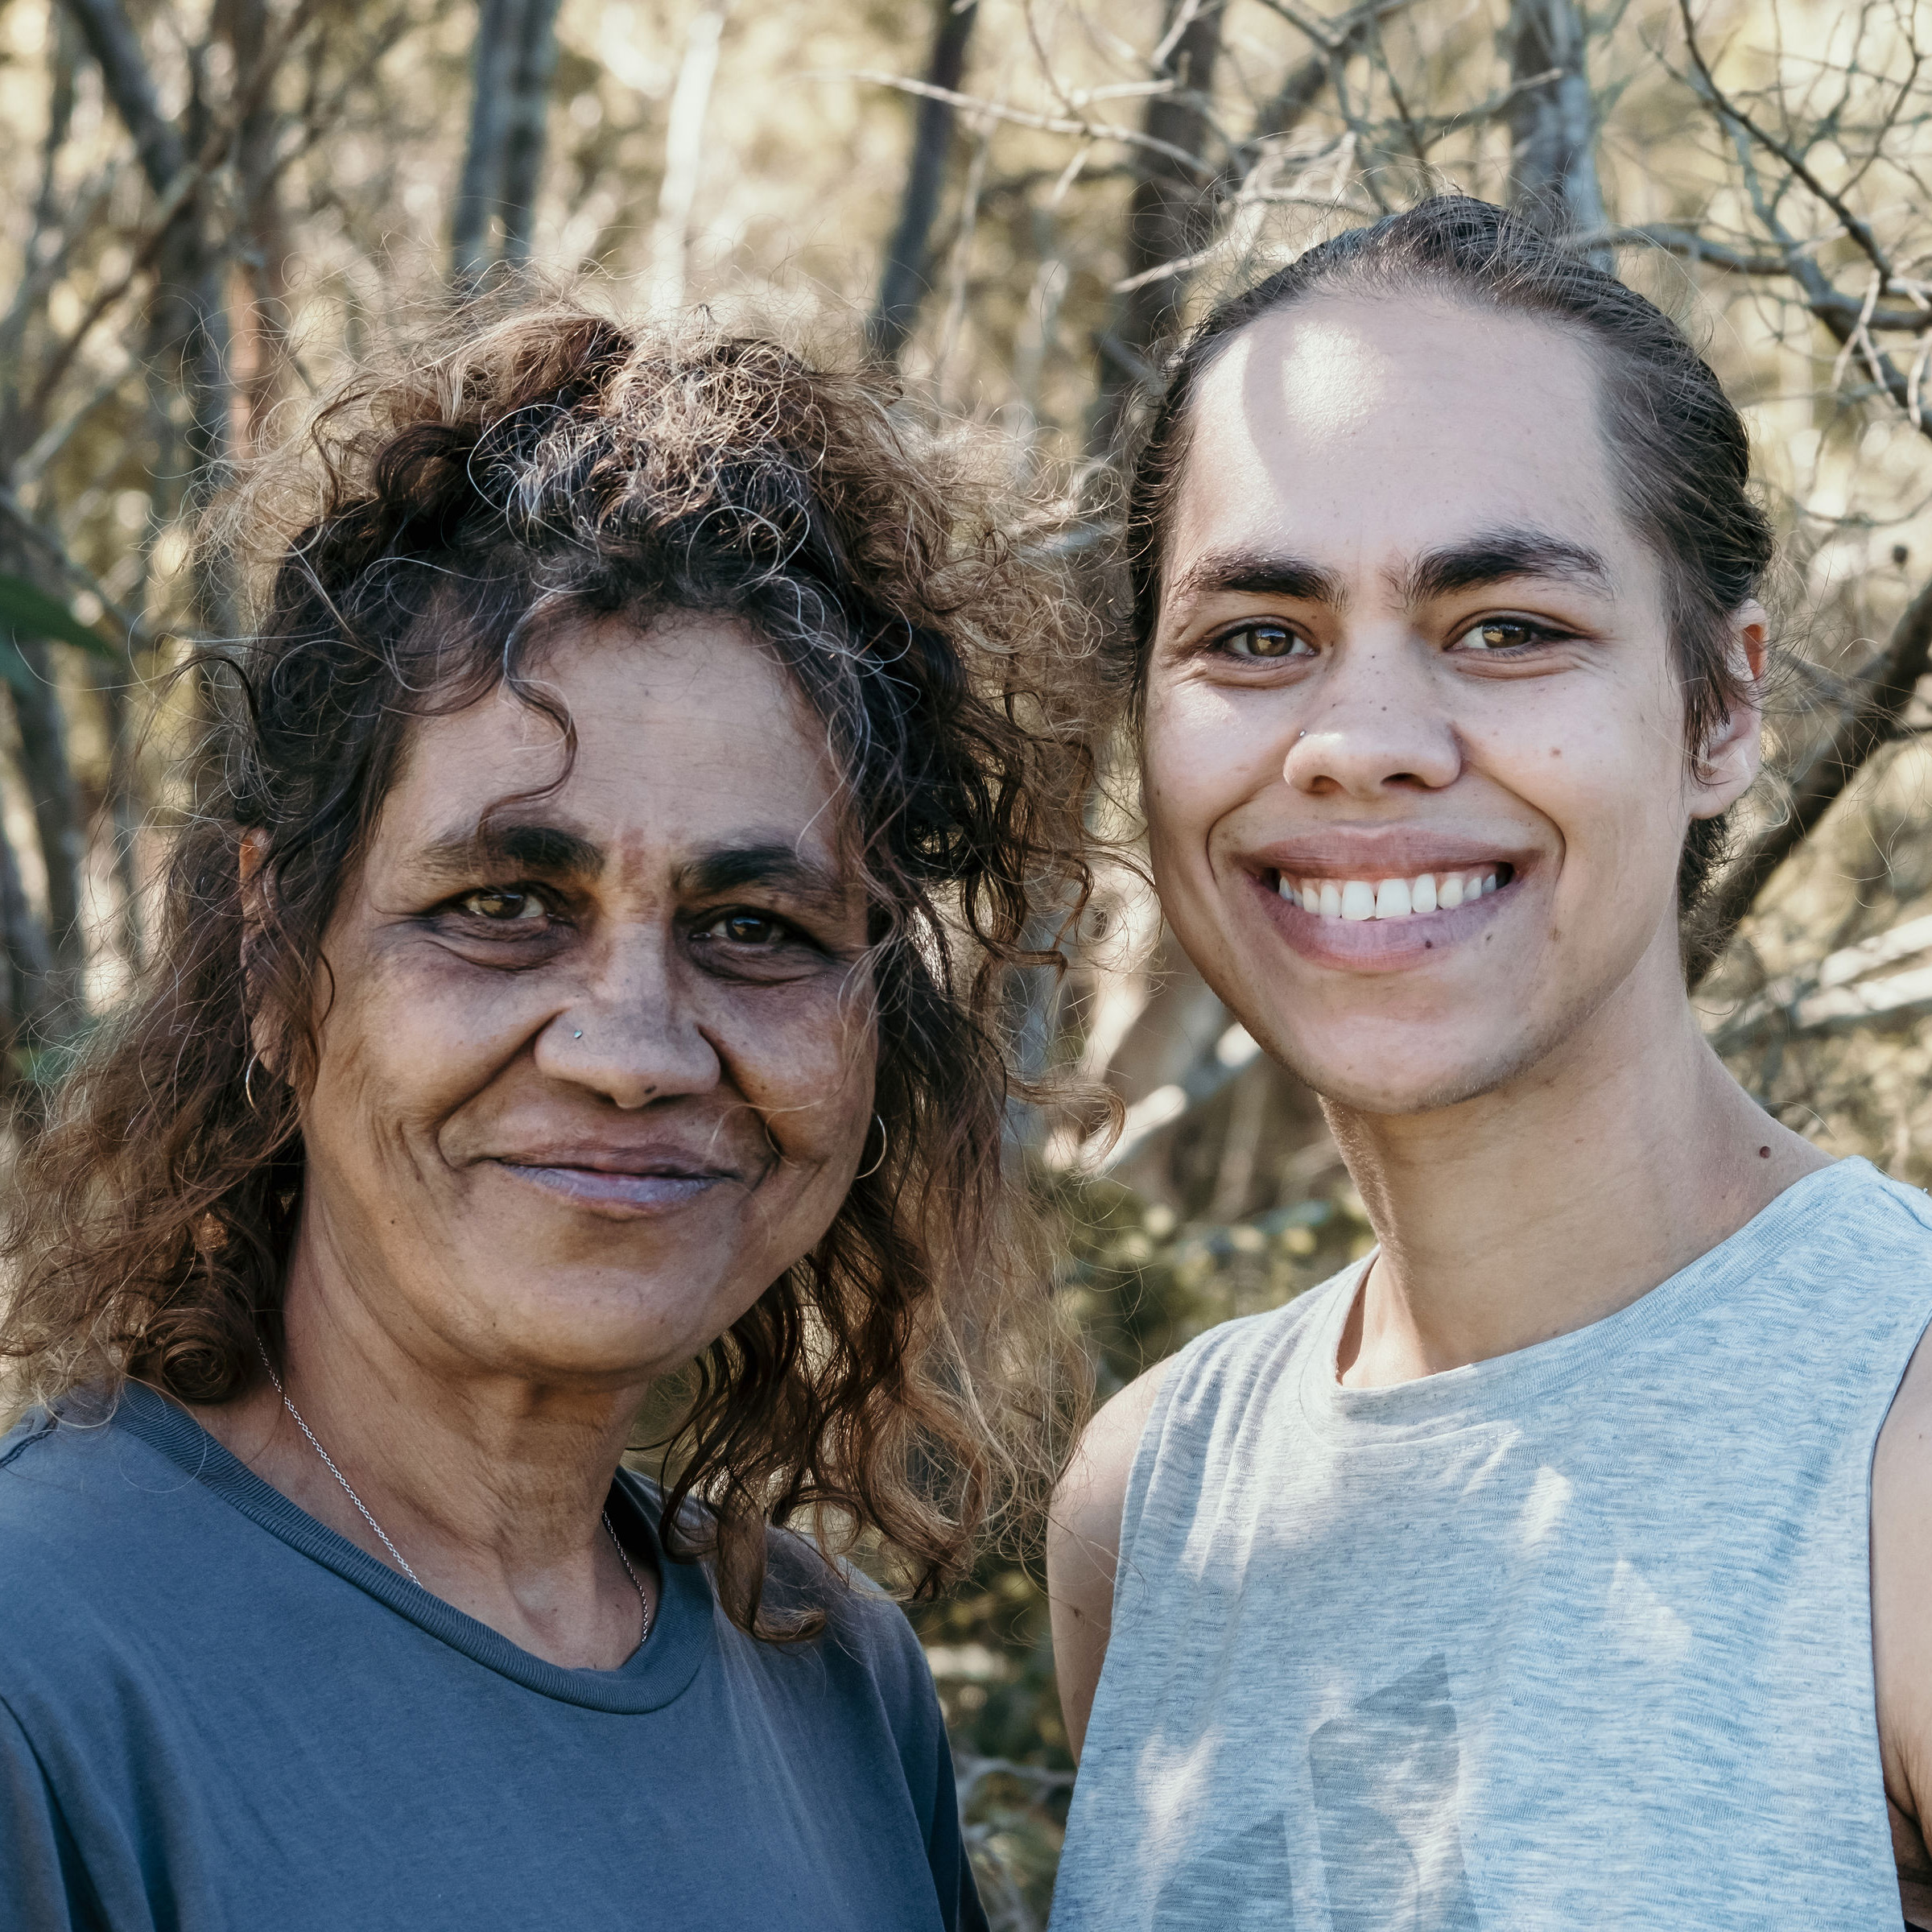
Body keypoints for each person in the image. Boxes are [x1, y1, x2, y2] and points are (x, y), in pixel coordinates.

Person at [0, 303, 1093, 1930]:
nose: (631, 1051)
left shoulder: (838, 1687)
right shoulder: (43, 1668)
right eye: (504, 905)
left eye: (756, 927)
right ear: (277, 966)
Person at [1046, 196, 1932, 1930]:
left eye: (1507, 626)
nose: (1361, 744)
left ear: (1721, 709)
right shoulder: (1152, 1504)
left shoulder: (1895, 1431)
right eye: (1257, 637)